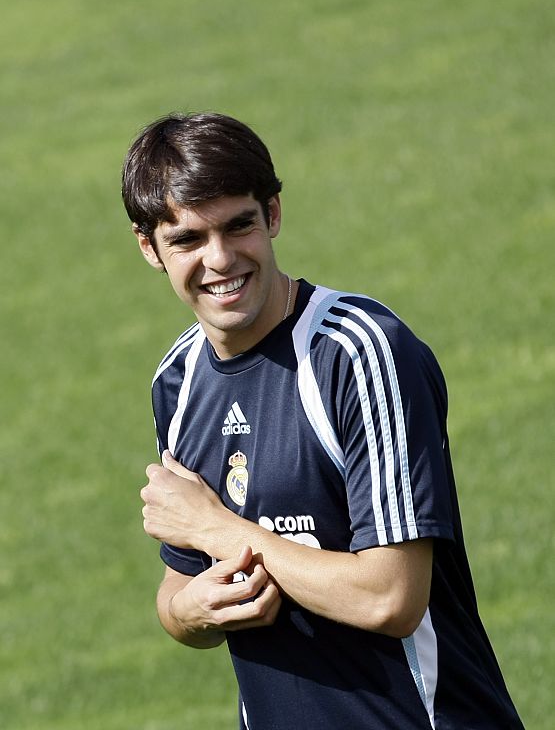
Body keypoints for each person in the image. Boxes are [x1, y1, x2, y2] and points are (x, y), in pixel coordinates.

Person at [122, 112, 524, 729]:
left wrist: (216, 528)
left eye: (239, 225)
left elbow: (391, 597)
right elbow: (178, 592)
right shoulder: (176, 382)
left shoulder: (359, 354)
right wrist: (190, 612)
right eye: (188, 240)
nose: (220, 259)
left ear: (273, 214)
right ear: (150, 248)